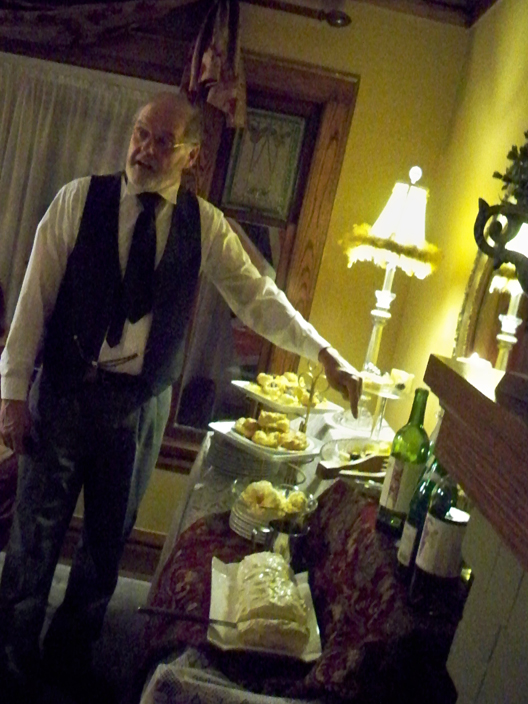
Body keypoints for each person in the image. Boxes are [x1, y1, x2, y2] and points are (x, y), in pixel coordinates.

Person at [0, 91, 361, 702]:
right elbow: (33, 298)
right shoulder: (77, 200)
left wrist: (323, 351)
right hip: (62, 392)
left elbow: (258, 299)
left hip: (140, 409)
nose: (144, 149)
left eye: (162, 141)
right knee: (32, 536)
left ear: (191, 155)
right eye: (140, 133)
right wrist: (11, 393)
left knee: (106, 545)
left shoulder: (206, 226)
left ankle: (68, 661)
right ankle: (9, 662)